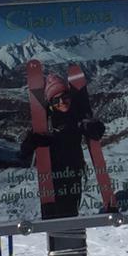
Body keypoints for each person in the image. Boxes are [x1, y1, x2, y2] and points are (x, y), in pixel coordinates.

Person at [21, 71, 106, 219]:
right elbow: (23, 153)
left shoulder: (77, 117)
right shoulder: (45, 122)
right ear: (51, 104)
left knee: (70, 211)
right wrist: (33, 141)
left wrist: (95, 128)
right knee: (53, 214)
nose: (62, 102)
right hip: (51, 176)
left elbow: (95, 129)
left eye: (65, 97)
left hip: (73, 172)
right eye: (56, 100)